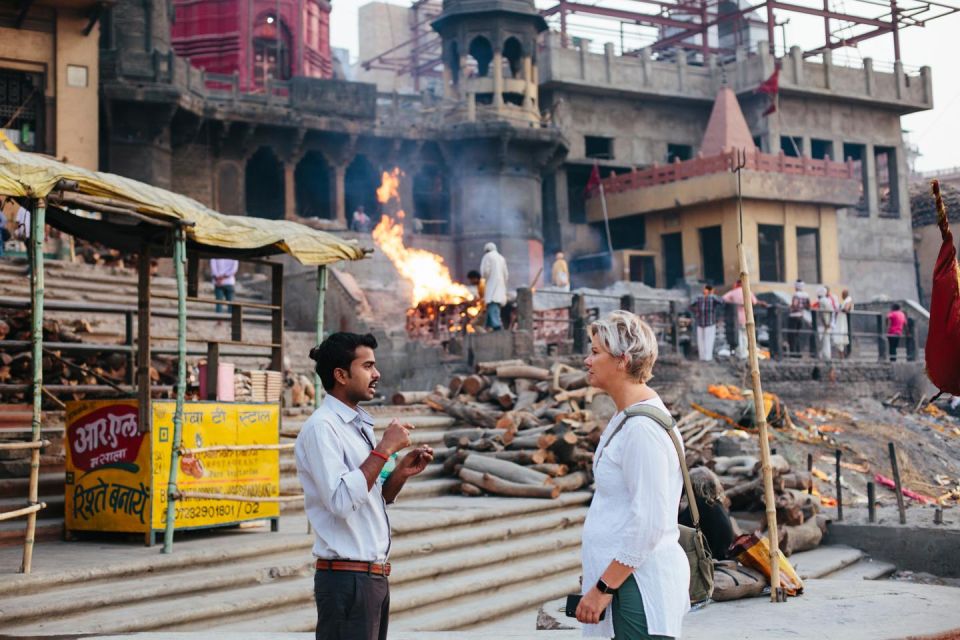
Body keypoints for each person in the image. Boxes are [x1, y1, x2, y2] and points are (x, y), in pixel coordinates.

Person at [295, 332, 434, 640]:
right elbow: (341, 502)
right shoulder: (322, 428)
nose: (377, 374)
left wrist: (398, 472)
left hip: (371, 580)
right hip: (347, 581)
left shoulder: (357, 424)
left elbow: (371, 496)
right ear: (341, 375)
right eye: (368, 366)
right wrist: (383, 449)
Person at [576, 310, 689, 640]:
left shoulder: (642, 429)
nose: (587, 360)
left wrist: (602, 588)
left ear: (622, 360)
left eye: (596, 352)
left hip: (637, 587)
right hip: (621, 584)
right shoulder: (625, 417)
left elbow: (650, 521)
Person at [722, 280, 764, 359]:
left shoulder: (733, 292)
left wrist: (732, 302)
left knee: (738, 335)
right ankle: (744, 353)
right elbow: (754, 302)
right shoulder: (748, 292)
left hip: (735, 318)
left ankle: (739, 353)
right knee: (745, 336)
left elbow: (724, 298)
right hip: (746, 317)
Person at [689, 284, 724, 361]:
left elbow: (690, 305)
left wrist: (696, 311)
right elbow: (721, 301)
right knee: (708, 341)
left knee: (701, 341)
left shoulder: (698, 298)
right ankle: (707, 358)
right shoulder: (712, 298)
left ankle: (703, 357)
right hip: (709, 323)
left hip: (702, 322)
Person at [480, 242, 508, 331]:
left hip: (491, 284)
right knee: (496, 304)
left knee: (492, 302)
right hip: (501, 285)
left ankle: (496, 325)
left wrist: (485, 278)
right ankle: (489, 325)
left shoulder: (487, 256)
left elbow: (485, 272)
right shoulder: (501, 258)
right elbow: (506, 274)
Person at [787, 280, 812, 356]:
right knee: (797, 335)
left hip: (793, 316)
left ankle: (793, 353)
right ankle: (798, 353)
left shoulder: (796, 295)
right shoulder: (806, 295)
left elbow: (794, 305)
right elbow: (808, 306)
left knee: (792, 336)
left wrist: (790, 307)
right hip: (801, 316)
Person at [816, 286, 839, 360]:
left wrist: (826, 324)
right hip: (827, 323)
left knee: (821, 340)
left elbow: (822, 313)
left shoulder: (822, 301)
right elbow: (832, 311)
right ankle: (826, 356)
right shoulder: (827, 300)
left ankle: (823, 356)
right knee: (826, 341)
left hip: (823, 324)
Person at [833, 289, 853, 358]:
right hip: (841, 321)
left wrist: (840, 309)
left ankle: (844, 355)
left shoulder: (848, 300)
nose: (841, 296)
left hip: (844, 322)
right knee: (840, 338)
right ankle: (842, 355)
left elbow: (846, 309)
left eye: (842, 294)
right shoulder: (846, 300)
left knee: (843, 337)